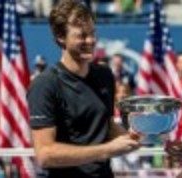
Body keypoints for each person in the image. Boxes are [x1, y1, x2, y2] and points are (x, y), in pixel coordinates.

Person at [27, 1, 141, 178]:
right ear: (60, 37)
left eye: (92, 33)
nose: (91, 40)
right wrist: (107, 150)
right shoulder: (45, 84)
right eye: (82, 35)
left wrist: (132, 135)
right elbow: (45, 154)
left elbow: (106, 125)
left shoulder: (105, 75)